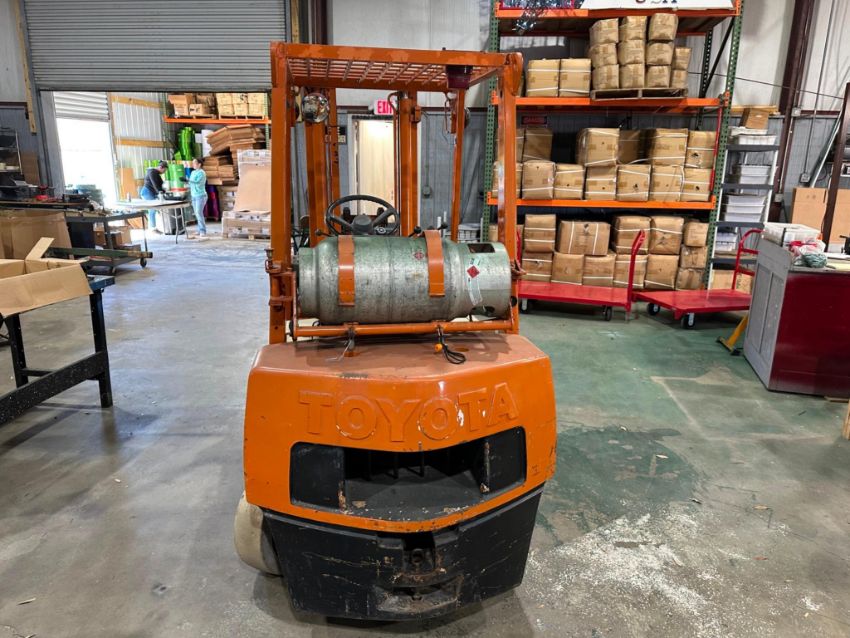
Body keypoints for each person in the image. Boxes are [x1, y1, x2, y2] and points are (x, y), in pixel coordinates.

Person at [140, 160, 168, 229]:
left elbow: (161, 184)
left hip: (151, 192)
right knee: (152, 209)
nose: (164, 172)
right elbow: (155, 185)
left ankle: (154, 227)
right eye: (164, 170)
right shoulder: (152, 172)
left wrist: (164, 190)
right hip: (147, 192)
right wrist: (161, 193)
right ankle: (153, 228)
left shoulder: (156, 173)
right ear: (161, 167)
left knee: (154, 209)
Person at [187, 158, 208, 237]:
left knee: (199, 213)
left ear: (199, 164)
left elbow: (198, 183)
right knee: (196, 213)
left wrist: (188, 181)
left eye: (194, 163)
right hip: (194, 195)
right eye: (192, 163)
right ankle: (199, 230)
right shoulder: (193, 172)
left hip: (201, 195)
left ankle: (203, 231)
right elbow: (191, 183)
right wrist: (187, 182)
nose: (193, 164)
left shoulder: (202, 173)